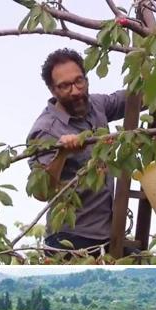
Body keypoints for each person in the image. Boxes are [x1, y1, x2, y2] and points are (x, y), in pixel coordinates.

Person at [27, 48, 128, 254]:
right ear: (53, 90)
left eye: (78, 81)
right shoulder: (46, 130)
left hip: (107, 236)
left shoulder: (96, 106)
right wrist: (62, 153)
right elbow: (41, 192)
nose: (75, 91)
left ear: (86, 79)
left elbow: (131, 98)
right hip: (69, 241)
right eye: (65, 86)